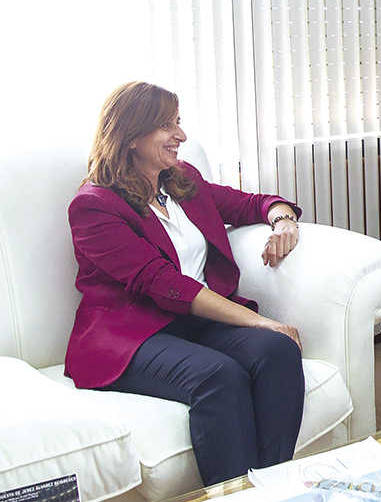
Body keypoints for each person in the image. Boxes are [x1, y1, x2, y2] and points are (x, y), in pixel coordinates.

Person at [65, 82, 306, 485]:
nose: (181, 136)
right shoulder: (93, 206)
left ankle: (271, 487)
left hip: (194, 326)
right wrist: (261, 322)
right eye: (167, 126)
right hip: (131, 336)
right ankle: (235, 497)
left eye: (178, 123)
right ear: (130, 136)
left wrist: (283, 220)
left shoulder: (181, 180)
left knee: (278, 350)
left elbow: (249, 204)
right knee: (219, 375)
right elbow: (164, 284)